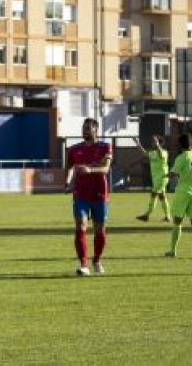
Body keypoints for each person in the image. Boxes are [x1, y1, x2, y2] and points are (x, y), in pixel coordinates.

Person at [64, 118, 112, 277]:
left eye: (87, 129)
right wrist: (68, 183)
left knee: (100, 230)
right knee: (81, 225)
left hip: (100, 194)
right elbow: (69, 167)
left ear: (95, 130)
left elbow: (105, 169)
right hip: (81, 194)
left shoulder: (105, 147)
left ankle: (97, 260)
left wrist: (90, 171)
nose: (84, 131)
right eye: (83, 128)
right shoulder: (74, 149)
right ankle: (83, 264)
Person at [165, 133, 192, 259]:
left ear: (180, 145)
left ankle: (172, 251)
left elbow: (173, 174)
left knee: (177, 222)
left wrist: (166, 176)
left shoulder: (182, 157)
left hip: (183, 192)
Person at [134, 135, 171, 222]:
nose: (153, 143)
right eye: (153, 142)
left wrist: (157, 145)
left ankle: (147, 215)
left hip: (162, 178)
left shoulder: (164, 152)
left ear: (160, 143)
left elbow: (161, 155)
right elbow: (144, 153)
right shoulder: (152, 153)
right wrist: (138, 143)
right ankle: (168, 217)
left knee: (153, 194)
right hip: (156, 179)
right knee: (162, 197)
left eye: (155, 142)